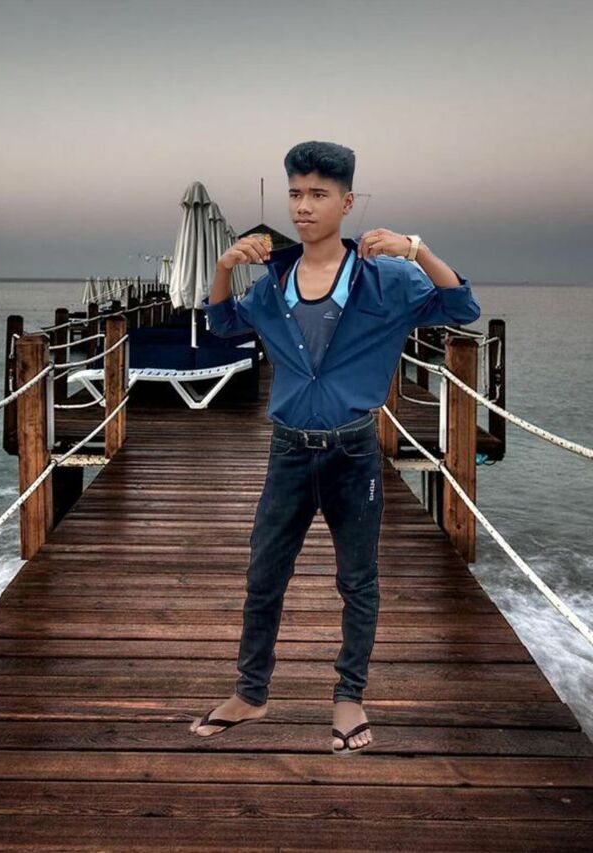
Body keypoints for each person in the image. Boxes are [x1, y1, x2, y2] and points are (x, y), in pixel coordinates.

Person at [189, 140, 481, 756]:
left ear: (347, 203)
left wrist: (416, 249)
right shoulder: (273, 283)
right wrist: (223, 268)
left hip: (353, 454)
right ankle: (250, 693)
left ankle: (350, 695)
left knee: (358, 580)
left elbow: (461, 305)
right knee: (264, 574)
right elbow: (222, 324)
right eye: (296, 193)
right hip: (288, 452)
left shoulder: (386, 279)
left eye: (318, 194)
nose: (303, 206)